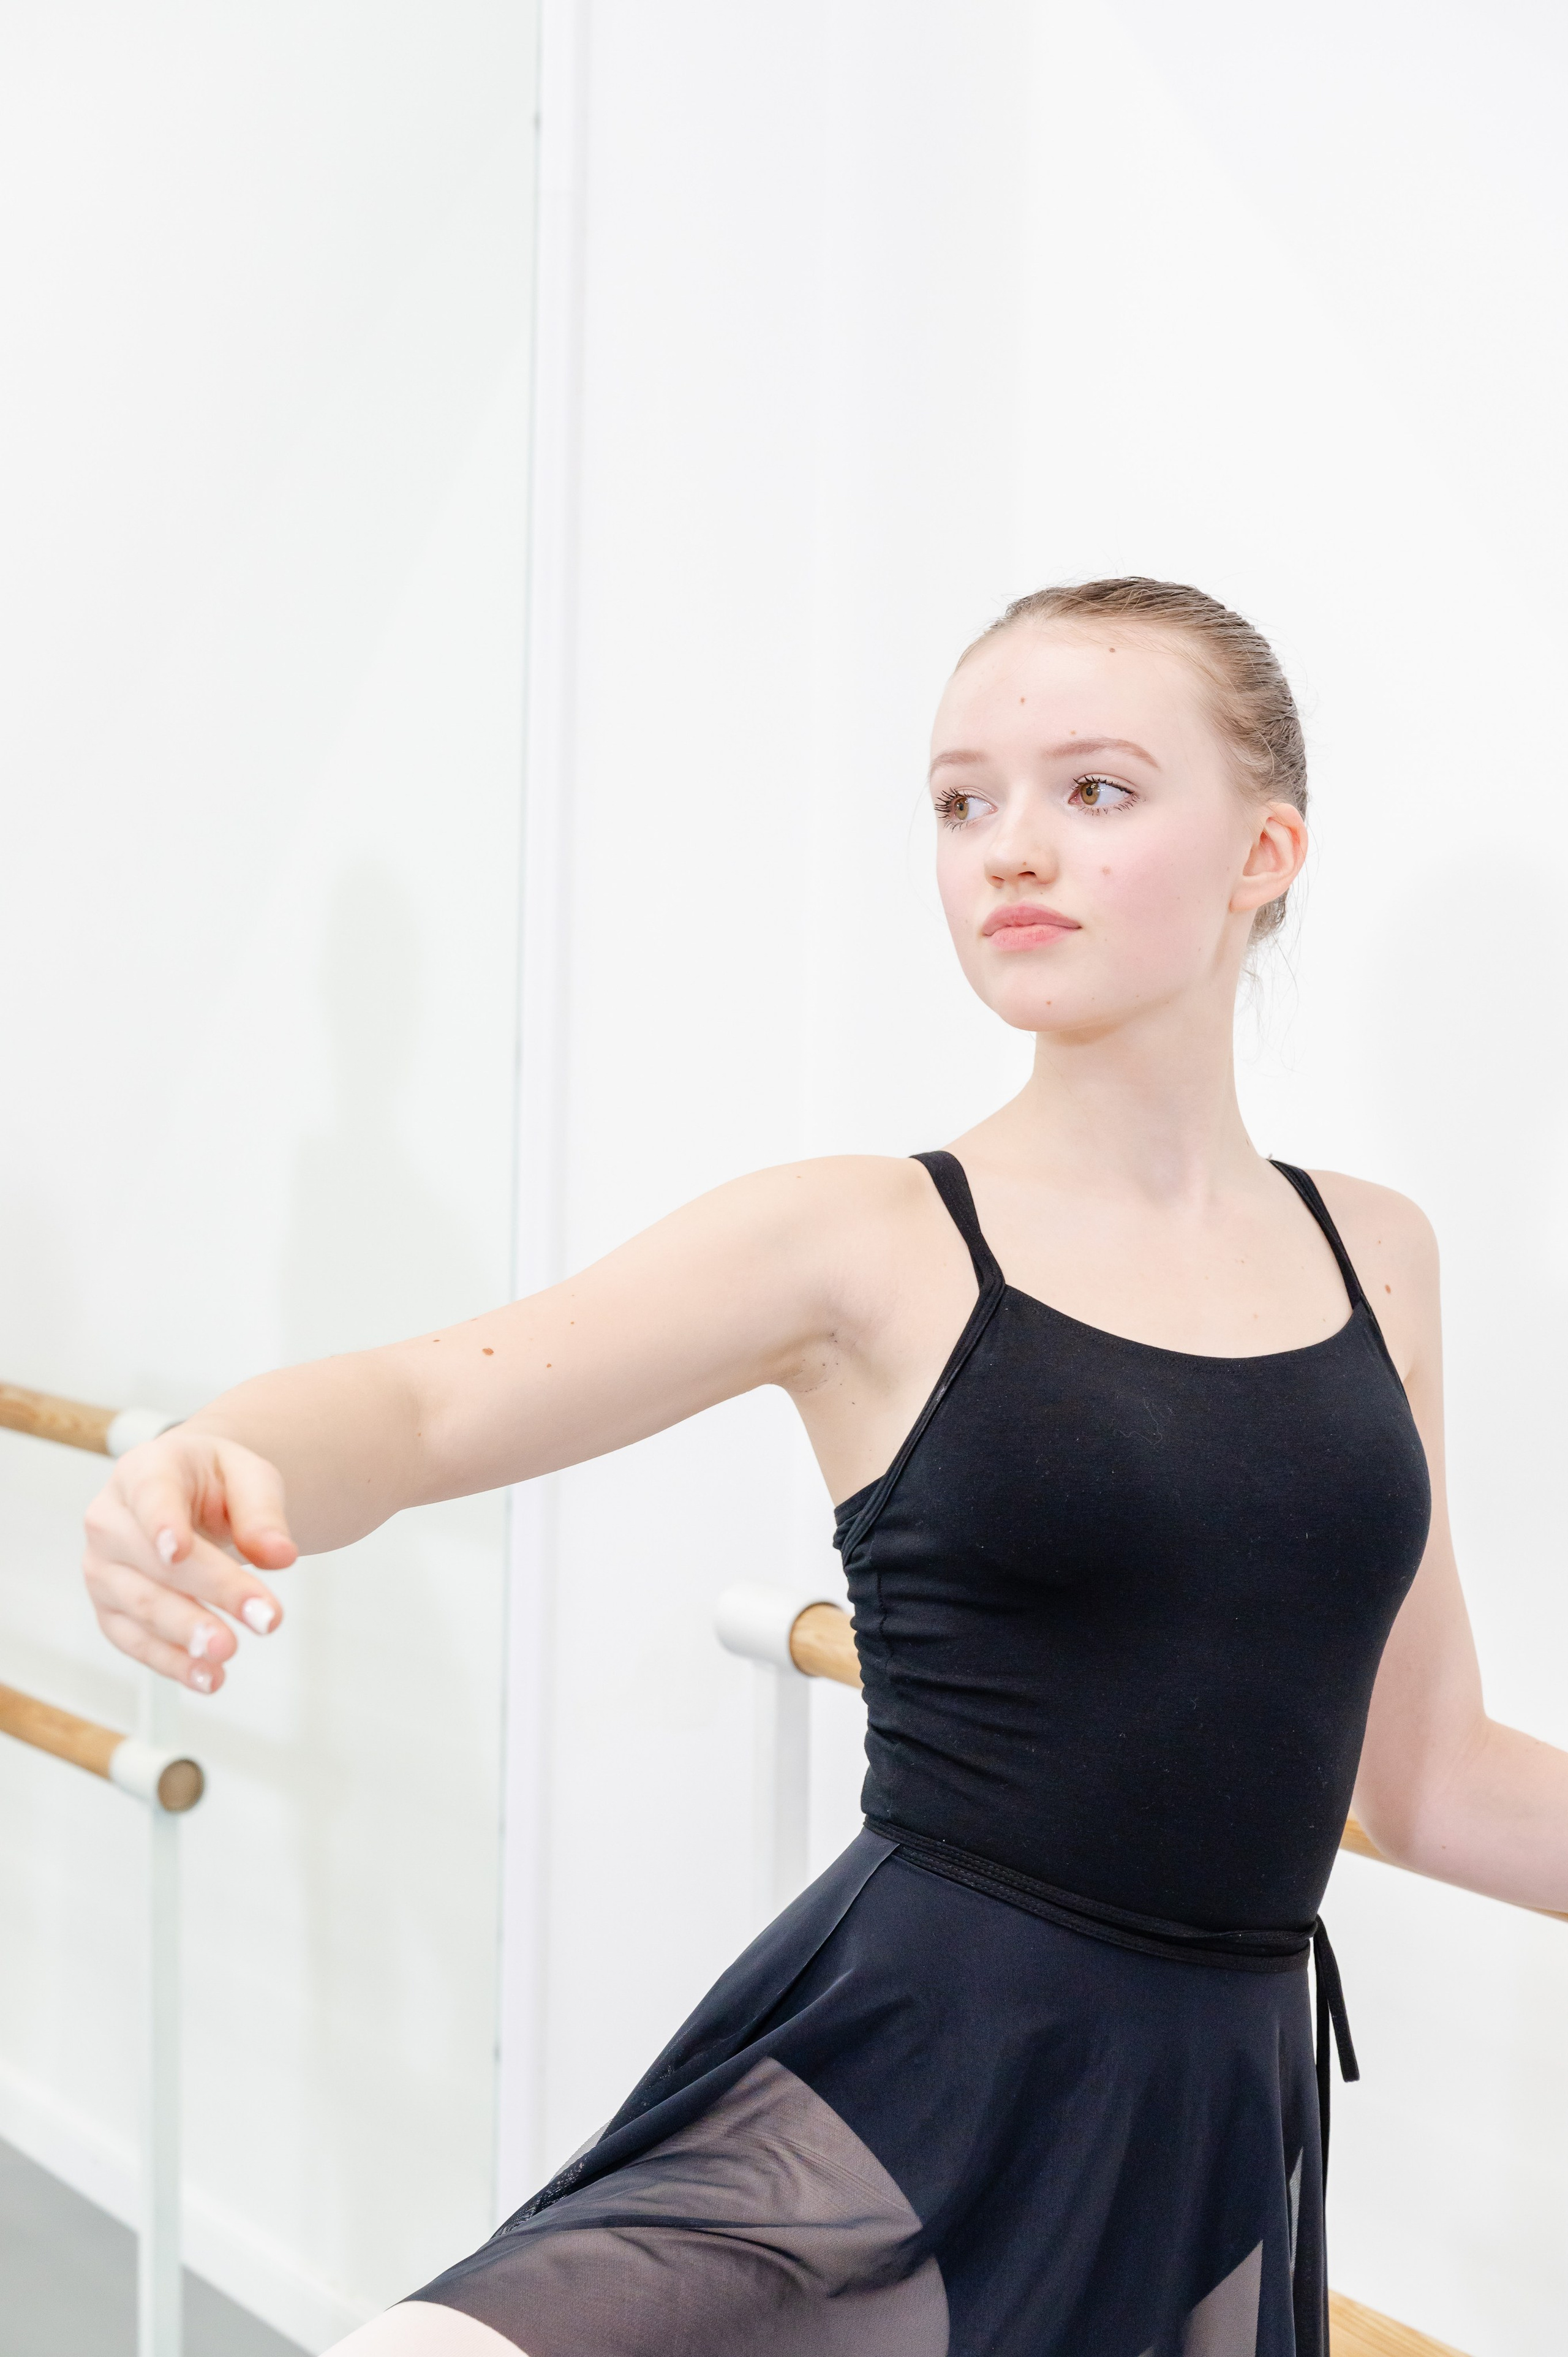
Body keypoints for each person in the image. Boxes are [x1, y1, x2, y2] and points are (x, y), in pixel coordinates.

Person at [82, 579, 1568, 2357]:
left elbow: (1435, 1781)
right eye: (962, 802)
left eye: (1094, 790)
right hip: (908, 2070)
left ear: (1265, 850)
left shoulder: (1376, 1254)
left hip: (1213, 2126)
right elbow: (426, 1406)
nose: (1011, 849)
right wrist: (214, 1461)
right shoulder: (870, 1238)